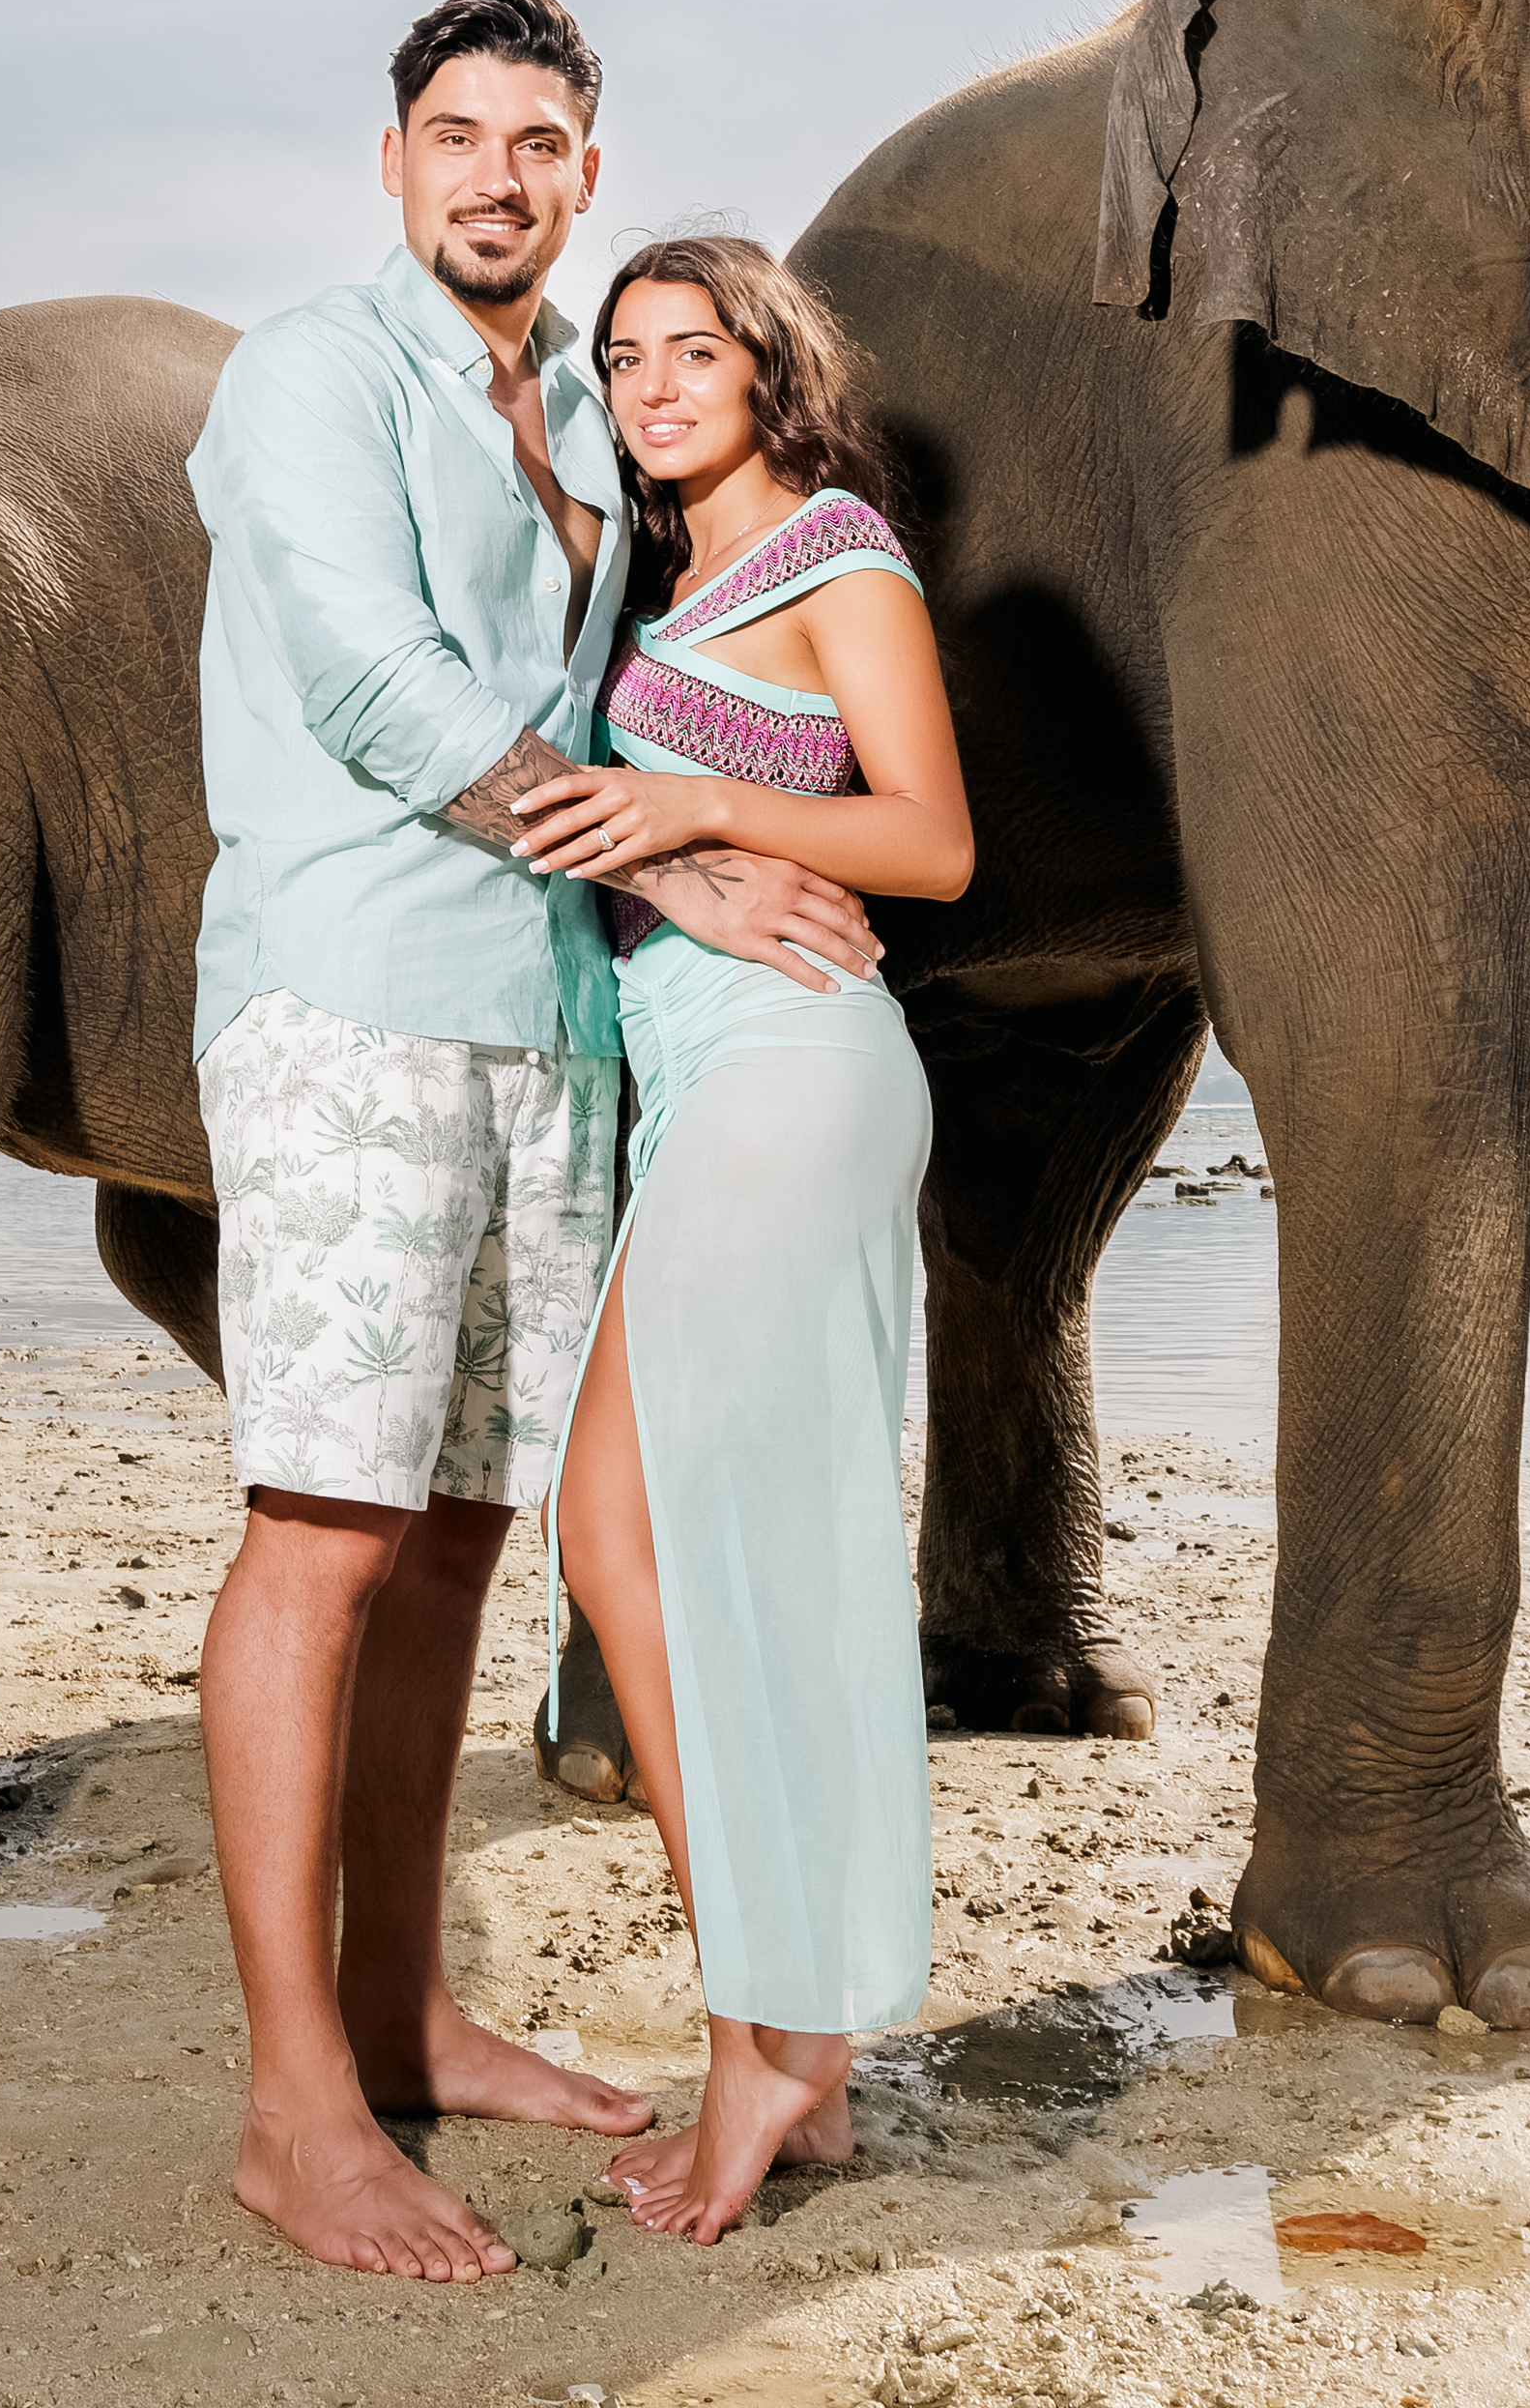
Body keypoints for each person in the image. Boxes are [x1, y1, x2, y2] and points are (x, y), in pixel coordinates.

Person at [187, 0, 888, 2282]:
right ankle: (300, 2104)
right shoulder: (309, 376)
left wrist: (685, 876)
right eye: (457, 133)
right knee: (322, 1525)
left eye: (541, 141)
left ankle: (404, 2007)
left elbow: (647, 685)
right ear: (393, 160)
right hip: (355, 997)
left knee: (470, 1541)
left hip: (553, 1029)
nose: (498, 173)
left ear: (588, 171)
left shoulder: (598, 413)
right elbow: (385, 684)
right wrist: (680, 859)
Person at [501, 229, 974, 2242]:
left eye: (695, 348)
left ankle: (761, 2047)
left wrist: (691, 816)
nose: (659, 381)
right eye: (629, 357)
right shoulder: (663, 578)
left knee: (686, 1547)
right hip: (702, 1084)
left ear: (768, 365)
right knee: (635, 1542)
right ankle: (808, 2048)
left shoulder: (836, 555)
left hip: (799, 1071)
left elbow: (932, 841)